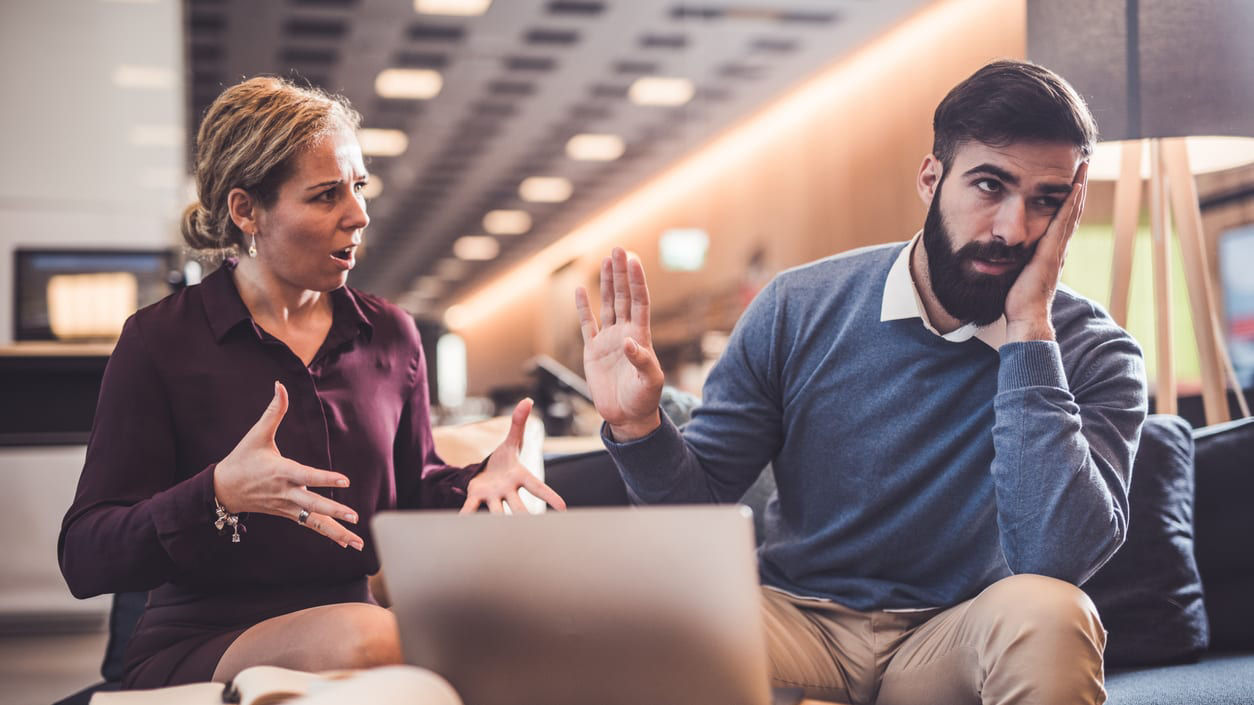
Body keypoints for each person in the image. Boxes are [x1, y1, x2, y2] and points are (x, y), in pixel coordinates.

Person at [575, 60, 1147, 705]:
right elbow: (692, 514)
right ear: (931, 180)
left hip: (952, 633)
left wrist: (1029, 332)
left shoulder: (1094, 350)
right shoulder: (797, 306)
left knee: (1052, 610)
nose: (1013, 229)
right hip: (798, 621)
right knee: (649, 607)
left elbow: (1057, 558)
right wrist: (638, 427)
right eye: (990, 186)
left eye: (1046, 202)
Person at [58, 76, 566, 690]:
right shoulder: (159, 341)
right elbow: (85, 555)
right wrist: (217, 493)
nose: (359, 215)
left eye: (358, 187)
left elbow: (413, 489)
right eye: (326, 196)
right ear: (246, 210)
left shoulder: (391, 335)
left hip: (355, 619)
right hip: (206, 637)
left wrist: (475, 484)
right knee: (381, 638)